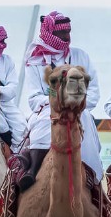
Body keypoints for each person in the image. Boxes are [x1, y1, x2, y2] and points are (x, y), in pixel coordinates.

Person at [19, 10, 104, 190]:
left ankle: (91, 178)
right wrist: (58, 102)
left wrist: (76, 103)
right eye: (62, 33)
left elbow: (94, 91)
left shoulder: (80, 56)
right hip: (47, 110)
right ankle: (32, 171)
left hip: (79, 109)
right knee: (43, 123)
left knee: (86, 119)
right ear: (50, 33)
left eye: (68, 32)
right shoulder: (35, 61)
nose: (67, 36)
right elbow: (34, 98)